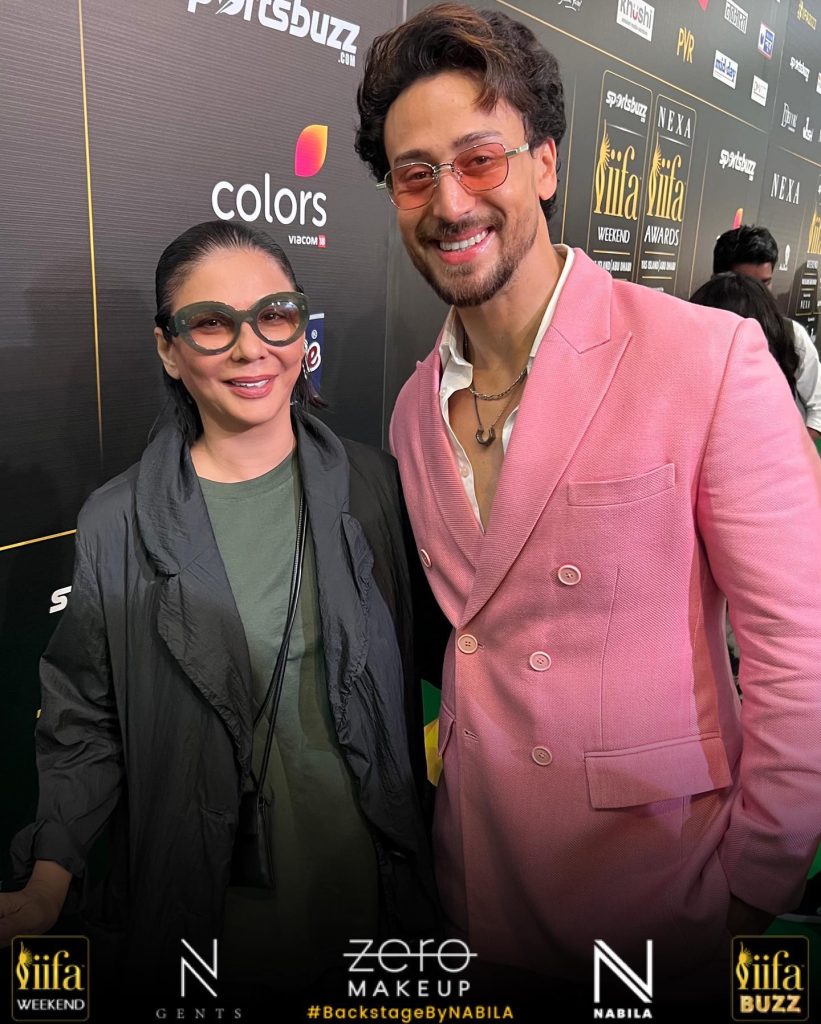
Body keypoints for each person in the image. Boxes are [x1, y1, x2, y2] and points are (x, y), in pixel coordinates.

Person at [354, 1, 821, 995]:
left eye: (479, 159)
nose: (449, 203)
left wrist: (756, 875)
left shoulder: (706, 356)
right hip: (473, 886)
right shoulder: (407, 411)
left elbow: (798, 639)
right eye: (414, 173)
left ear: (545, 164)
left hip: (660, 894)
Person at [0, 221, 439, 999]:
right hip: (205, 914)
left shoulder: (376, 488)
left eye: (272, 314)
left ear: (299, 328)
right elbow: (83, 722)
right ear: (169, 348)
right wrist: (48, 874)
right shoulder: (116, 521)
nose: (249, 348)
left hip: (376, 896)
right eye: (211, 323)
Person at [713, 224, 821, 440]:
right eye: (747, 284)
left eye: (765, 283)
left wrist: (782, 460)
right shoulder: (699, 333)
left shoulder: (792, 336)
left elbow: (817, 413)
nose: (758, 295)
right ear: (718, 279)